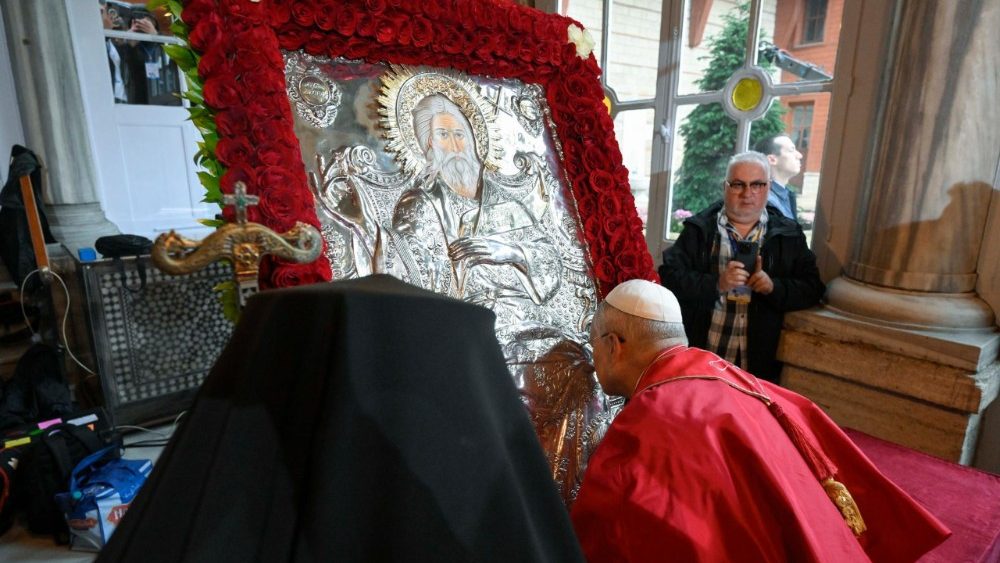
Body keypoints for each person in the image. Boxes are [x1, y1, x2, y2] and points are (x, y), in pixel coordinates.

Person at [571, 279, 951, 562]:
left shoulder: (648, 420)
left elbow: (614, 531)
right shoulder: (733, 375)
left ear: (614, 345)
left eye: (594, 346)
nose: (594, 359)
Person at [659, 151, 824, 383]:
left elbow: (813, 287)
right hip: (702, 356)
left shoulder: (787, 234)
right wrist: (716, 284)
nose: (747, 194)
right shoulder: (699, 229)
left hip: (758, 364)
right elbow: (669, 277)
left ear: (767, 187)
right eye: (738, 184)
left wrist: (772, 287)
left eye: (756, 184)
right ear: (725, 187)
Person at [391, 94, 561, 312]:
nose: (455, 146)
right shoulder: (421, 204)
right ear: (428, 143)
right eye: (443, 135)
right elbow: (421, 284)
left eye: (460, 134)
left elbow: (550, 259)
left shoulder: (505, 201)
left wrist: (513, 252)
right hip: (470, 324)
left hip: (530, 317)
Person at [755, 134, 803, 220]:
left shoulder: (784, 196)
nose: (799, 155)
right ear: (772, 159)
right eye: (791, 150)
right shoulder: (766, 203)